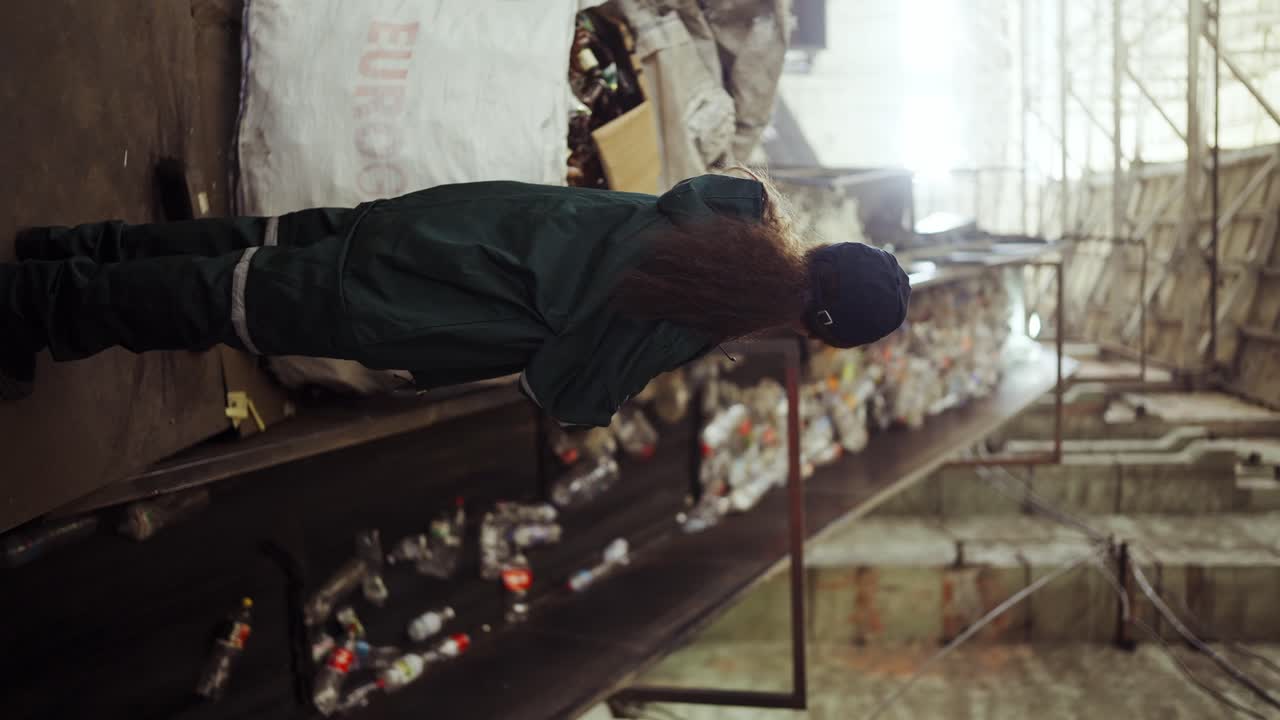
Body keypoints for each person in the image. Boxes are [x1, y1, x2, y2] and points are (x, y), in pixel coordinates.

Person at [1, 171, 910, 426]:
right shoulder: (693, 317)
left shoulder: (732, 210)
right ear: (810, 328)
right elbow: (569, 395)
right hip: (426, 295)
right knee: (230, 297)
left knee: (253, 243)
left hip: (447, 223)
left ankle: (69, 252)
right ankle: (30, 305)